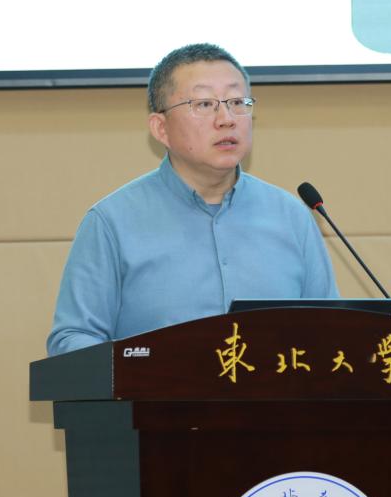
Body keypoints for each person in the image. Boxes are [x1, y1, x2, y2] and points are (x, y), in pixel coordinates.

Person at [46, 43, 339, 355]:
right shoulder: (112, 222)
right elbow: (73, 339)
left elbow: (332, 332)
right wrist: (143, 369)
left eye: (237, 102)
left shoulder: (291, 216)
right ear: (161, 128)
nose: (226, 118)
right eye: (204, 104)